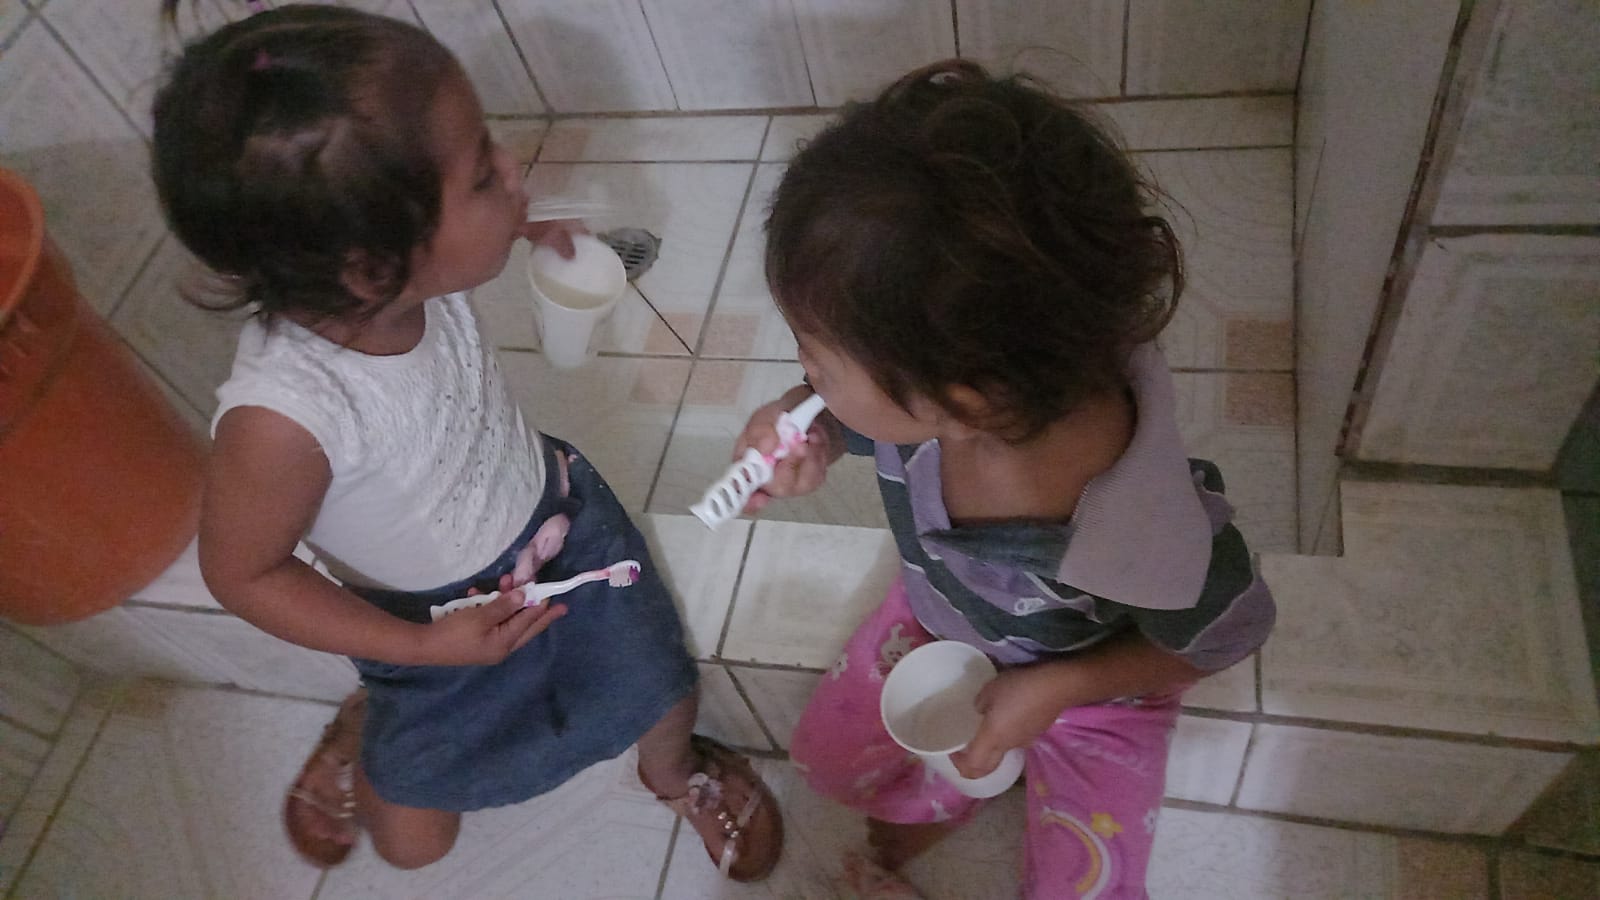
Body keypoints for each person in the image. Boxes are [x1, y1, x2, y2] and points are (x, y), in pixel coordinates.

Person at [149, 3, 781, 878]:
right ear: (372, 264)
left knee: (658, 676)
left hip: (560, 522)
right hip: (432, 627)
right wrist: (414, 649)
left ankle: (672, 771)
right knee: (414, 846)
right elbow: (242, 572)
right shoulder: (285, 420)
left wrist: (521, 224)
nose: (513, 168)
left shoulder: (400, 274)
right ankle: (370, 722)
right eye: (485, 174)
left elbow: (459, 239)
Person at [733, 59, 1275, 898]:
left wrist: (1059, 687)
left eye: (817, 366)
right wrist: (813, 429)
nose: (804, 379)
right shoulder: (973, 382)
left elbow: (1227, 636)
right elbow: (869, 414)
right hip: (944, 622)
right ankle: (945, 798)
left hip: (1093, 693)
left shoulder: (1141, 526)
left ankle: (985, 775)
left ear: (956, 402)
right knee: (830, 759)